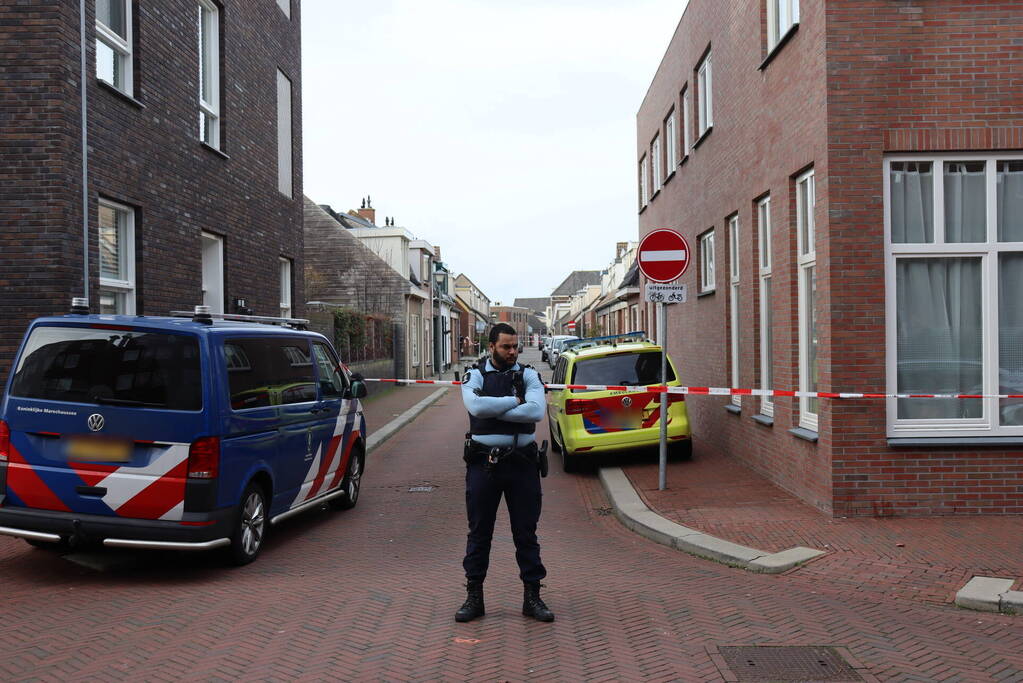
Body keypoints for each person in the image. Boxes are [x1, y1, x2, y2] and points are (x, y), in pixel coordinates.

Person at [455, 322, 553, 623]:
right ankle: (474, 597)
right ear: (491, 347)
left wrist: (493, 406)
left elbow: (536, 412)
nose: (512, 352)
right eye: (506, 347)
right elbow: (475, 407)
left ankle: (532, 597)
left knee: (526, 532)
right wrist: (515, 401)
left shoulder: (529, 374)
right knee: (479, 532)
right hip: (484, 464)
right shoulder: (474, 375)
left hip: (522, 463)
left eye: (515, 347)